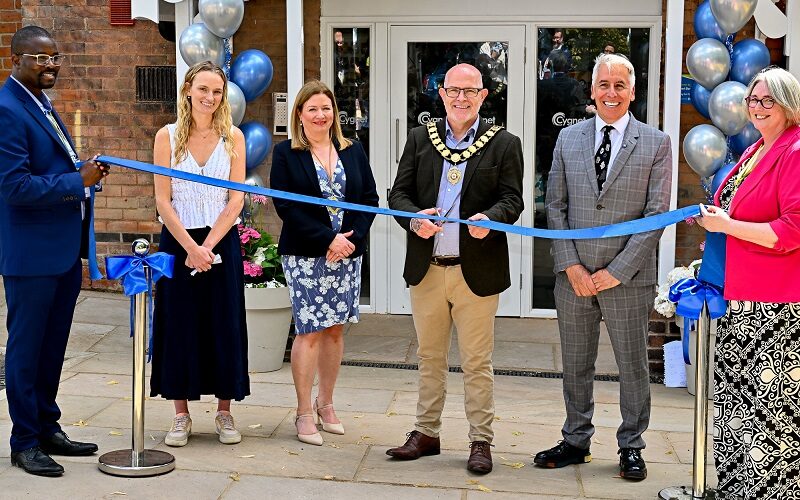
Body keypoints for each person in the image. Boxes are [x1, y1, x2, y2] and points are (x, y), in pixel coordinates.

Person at [537, 53, 671, 480]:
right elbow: (554, 207)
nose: (611, 93)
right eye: (603, 85)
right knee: (576, 363)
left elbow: (656, 216)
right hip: (573, 278)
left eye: (620, 85)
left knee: (632, 365)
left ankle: (632, 445)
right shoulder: (568, 139)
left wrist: (618, 271)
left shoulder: (656, 143)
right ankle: (576, 439)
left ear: (633, 92)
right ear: (591, 90)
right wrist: (570, 265)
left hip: (626, 280)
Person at [386, 63, 524, 474]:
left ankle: (480, 440)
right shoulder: (419, 139)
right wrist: (414, 218)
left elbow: (513, 199)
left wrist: (492, 218)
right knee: (429, 356)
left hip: (475, 272)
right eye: (453, 91)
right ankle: (426, 433)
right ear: (441, 95)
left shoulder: (503, 143)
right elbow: (398, 194)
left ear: (484, 96)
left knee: (476, 361)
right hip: (428, 268)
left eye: (470, 91)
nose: (461, 98)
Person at [0, 25, 109, 477]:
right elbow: (14, 186)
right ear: (16, 60)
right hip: (31, 255)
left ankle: (47, 426)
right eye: (39, 58)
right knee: (27, 350)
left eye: (55, 57)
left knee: (52, 347)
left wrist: (83, 173)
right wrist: (75, 182)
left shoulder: (40, 104)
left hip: (60, 252)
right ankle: (24, 441)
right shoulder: (7, 110)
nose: (50, 65)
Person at [697, 66, 800, 499]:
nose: (756, 108)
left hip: (775, 307)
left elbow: (792, 229)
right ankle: (738, 489)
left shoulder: (794, 151)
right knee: (740, 406)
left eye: (766, 101)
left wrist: (729, 227)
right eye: (751, 100)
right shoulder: (758, 147)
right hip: (741, 296)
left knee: (770, 415)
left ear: (788, 105)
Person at [270, 80, 378, 446]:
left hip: (346, 254)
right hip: (305, 254)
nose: (320, 115)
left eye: (326, 108)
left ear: (335, 114)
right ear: (299, 114)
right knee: (310, 330)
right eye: (312, 108)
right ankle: (303, 412)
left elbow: (369, 198)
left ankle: (326, 404)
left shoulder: (353, 150)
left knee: (335, 329)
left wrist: (350, 240)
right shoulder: (286, 153)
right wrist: (326, 239)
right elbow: (286, 206)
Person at [150, 61, 249, 448]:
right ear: (188, 89)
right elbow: (162, 198)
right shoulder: (166, 136)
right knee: (179, 324)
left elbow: (236, 199)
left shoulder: (233, 138)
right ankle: (180, 416)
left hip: (220, 240)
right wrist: (190, 248)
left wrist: (208, 246)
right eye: (203, 89)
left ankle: (225, 412)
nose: (210, 97)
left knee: (223, 322)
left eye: (217, 92)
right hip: (178, 242)